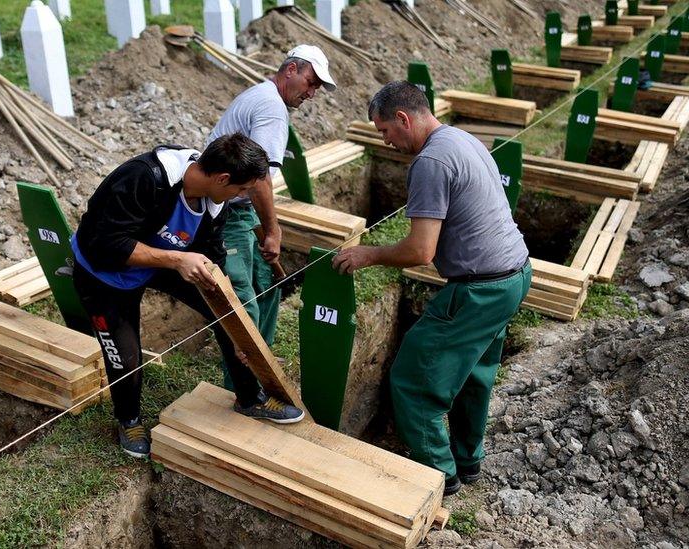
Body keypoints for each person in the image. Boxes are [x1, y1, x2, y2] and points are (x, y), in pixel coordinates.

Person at [332, 82, 532, 496]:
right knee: (474, 374)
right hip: (514, 274)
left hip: (480, 289)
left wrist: (368, 254)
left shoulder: (431, 162)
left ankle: (441, 475)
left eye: (385, 130)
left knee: (412, 381)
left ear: (404, 119)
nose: (385, 140)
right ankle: (468, 460)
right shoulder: (461, 138)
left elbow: (421, 250)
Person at [71, 134, 305, 459]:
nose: (243, 196)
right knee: (124, 357)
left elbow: (212, 257)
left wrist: (237, 328)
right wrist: (178, 259)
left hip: (164, 260)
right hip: (104, 272)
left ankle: (249, 399)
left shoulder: (215, 201)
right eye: (241, 189)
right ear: (222, 178)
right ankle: (129, 421)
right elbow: (105, 245)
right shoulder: (145, 178)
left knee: (225, 314)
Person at [207, 45, 336, 386]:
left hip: (240, 211)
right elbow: (260, 178)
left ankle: (260, 360)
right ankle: (246, 387)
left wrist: (263, 226)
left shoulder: (262, 97)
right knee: (242, 304)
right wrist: (273, 232)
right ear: (290, 69)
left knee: (267, 284)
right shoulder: (271, 108)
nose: (311, 93)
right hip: (227, 215)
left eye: (316, 88)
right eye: (310, 82)